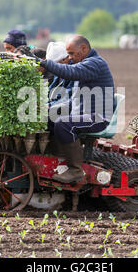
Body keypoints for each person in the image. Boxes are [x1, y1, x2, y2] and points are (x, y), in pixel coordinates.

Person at [36, 35, 115, 183]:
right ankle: (57, 159)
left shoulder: (94, 64)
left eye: (72, 53)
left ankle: (75, 171)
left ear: (84, 48)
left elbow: (70, 72)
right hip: (84, 113)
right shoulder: (85, 63)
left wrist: (44, 63)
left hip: (97, 117)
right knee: (50, 118)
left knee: (64, 124)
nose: (70, 58)